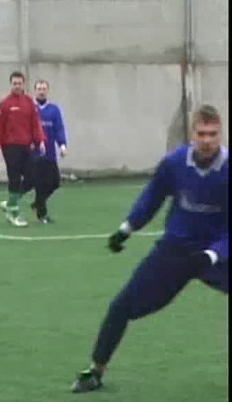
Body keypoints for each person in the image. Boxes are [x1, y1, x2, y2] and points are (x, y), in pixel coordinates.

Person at [71, 104, 228, 393]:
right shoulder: (174, 163)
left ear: (221, 135)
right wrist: (126, 228)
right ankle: (95, 371)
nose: (207, 140)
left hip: (216, 253)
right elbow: (152, 197)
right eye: (201, 133)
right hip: (176, 251)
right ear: (192, 134)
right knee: (121, 307)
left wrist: (213, 254)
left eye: (213, 134)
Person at [0, 71, 46, 227]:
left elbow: (35, 124)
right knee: (14, 178)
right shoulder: (4, 104)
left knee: (32, 177)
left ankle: (10, 203)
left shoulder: (29, 103)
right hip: (10, 146)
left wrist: (40, 140)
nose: (17, 86)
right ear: (11, 85)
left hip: (26, 146)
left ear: (23, 84)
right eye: (14, 83)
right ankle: (13, 213)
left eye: (19, 83)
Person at [24, 79, 68, 223]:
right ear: (35, 91)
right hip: (34, 153)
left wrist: (62, 145)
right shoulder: (30, 108)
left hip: (50, 153)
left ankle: (37, 203)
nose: (41, 92)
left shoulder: (54, 109)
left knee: (55, 182)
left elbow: (59, 128)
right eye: (39, 89)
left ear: (47, 91)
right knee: (39, 184)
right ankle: (42, 214)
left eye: (44, 89)